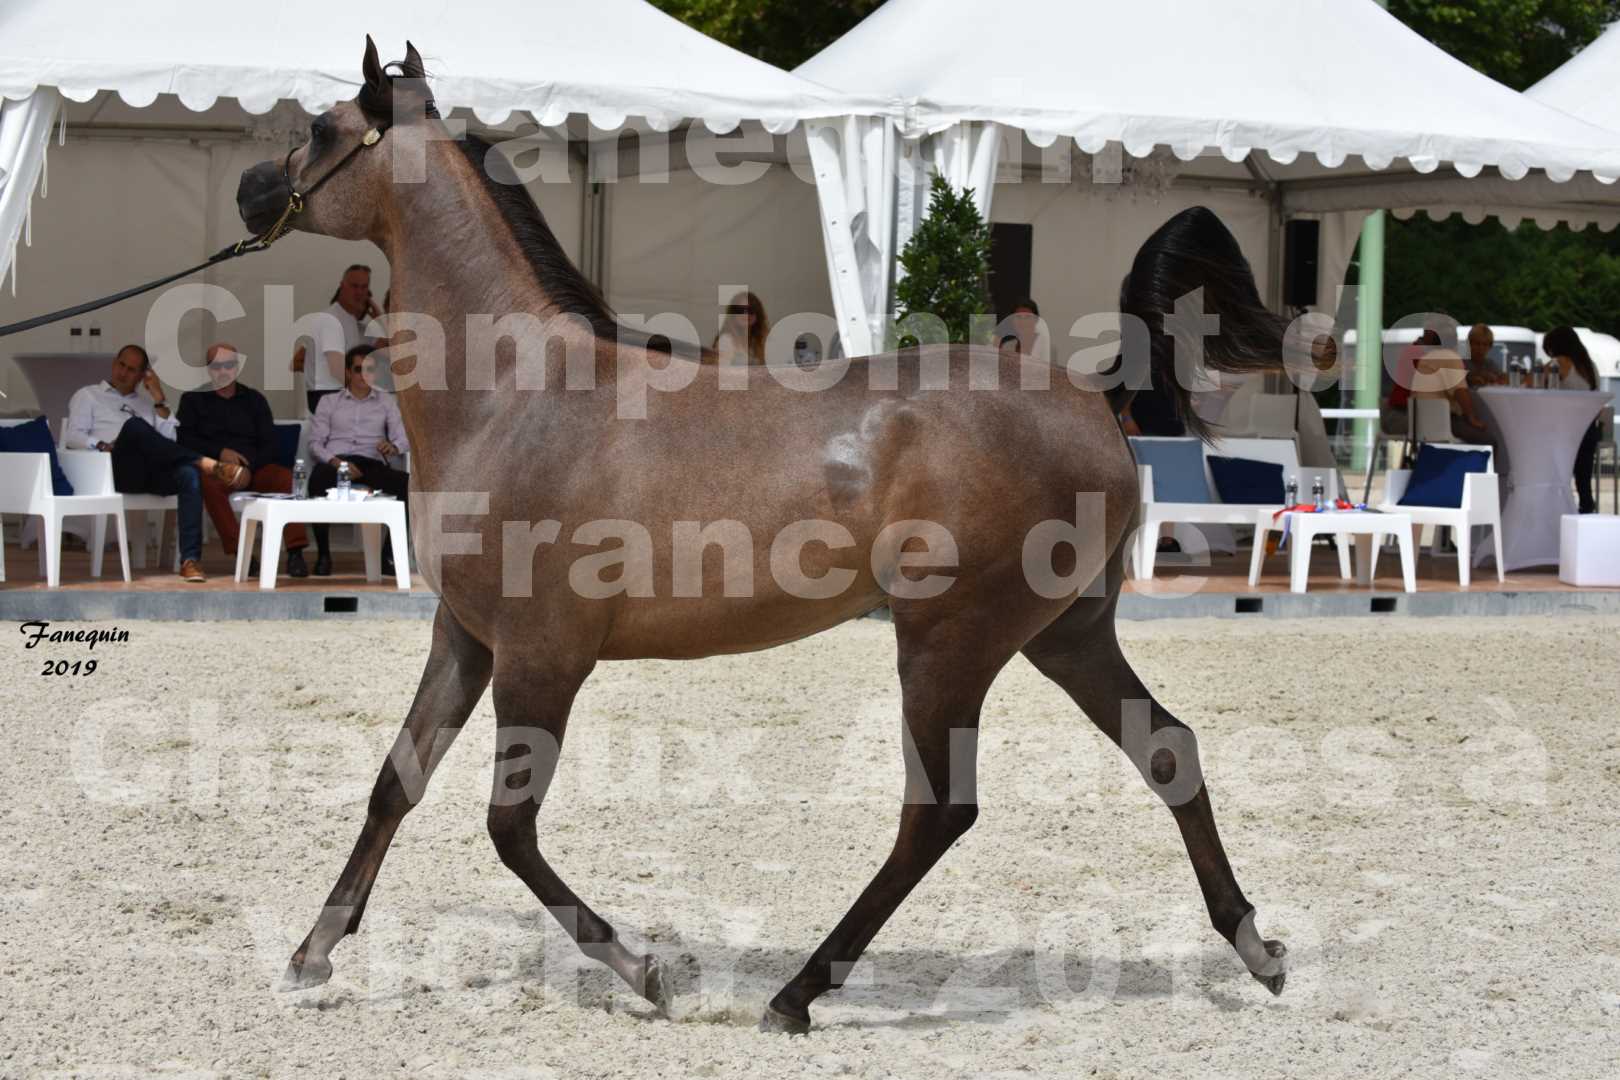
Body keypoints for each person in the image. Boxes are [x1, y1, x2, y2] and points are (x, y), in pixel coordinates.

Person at [63, 344, 246, 583]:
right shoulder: (88, 395)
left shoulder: (148, 405)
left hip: (149, 472)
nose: (123, 373)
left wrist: (159, 397)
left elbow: (170, 441)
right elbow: (73, 436)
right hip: (113, 469)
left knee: (188, 474)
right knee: (135, 426)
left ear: (142, 375)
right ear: (114, 363)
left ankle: (190, 560)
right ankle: (207, 464)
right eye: (121, 365)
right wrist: (103, 445)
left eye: (132, 370)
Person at [178, 343, 309, 576]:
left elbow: (270, 443)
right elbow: (185, 440)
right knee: (205, 483)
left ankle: (296, 553)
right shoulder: (193, 400)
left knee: (286, 478)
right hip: (217, 471)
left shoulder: (254, 400)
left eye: (229, 364)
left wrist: (247, 466)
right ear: (209, 369)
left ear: (237, 367)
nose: (223, 370)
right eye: (217, 366)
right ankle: (243, 554)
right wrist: (221, 454)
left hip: (255, 468)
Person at [307, 344, 411, 576]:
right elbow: (315, 443)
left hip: (370, 462)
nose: (364, 375)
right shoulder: (328, 402)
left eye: (370, 369)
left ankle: (389, 556)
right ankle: (324, 554)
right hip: (336, 462)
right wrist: (336, 463)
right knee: (316, 480)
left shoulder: (386, 401)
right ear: (347, 372)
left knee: (408, 486)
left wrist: (393, 446)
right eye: (358, 369)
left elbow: (402, 438)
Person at [291, 264, 380, 414]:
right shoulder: (330, 319)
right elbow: (337, 369)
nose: (359, 292)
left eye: (364, 287)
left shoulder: (353, 324)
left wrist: (379, 319)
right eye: (354, 286)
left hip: (341, 396)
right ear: (342, 286)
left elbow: (383, 352)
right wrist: (366, 394)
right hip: (327, 398)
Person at [1543, 326, 1604, 514]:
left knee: (1560, 476)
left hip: (1566, 428)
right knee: (1583, 480)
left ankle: (1559, 514)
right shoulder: (1589, 365)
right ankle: (1586, 515)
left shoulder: (1559, 362)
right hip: (1588, 427)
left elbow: (1531, 381)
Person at [712, 291, 769, 365]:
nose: (746, 315)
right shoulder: (726, 340)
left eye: (751, 310)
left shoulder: (758, 341)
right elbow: (724, 373)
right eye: (741, 310)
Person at [1464, 324, 1506, 388]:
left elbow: (1503, 380)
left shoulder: (1490, 364)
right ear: (1469, 344)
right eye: (1477, 344)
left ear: (1490, 346)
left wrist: (1494, 379)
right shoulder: (1461, 363)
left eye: (1485, 344)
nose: (1481, 348)